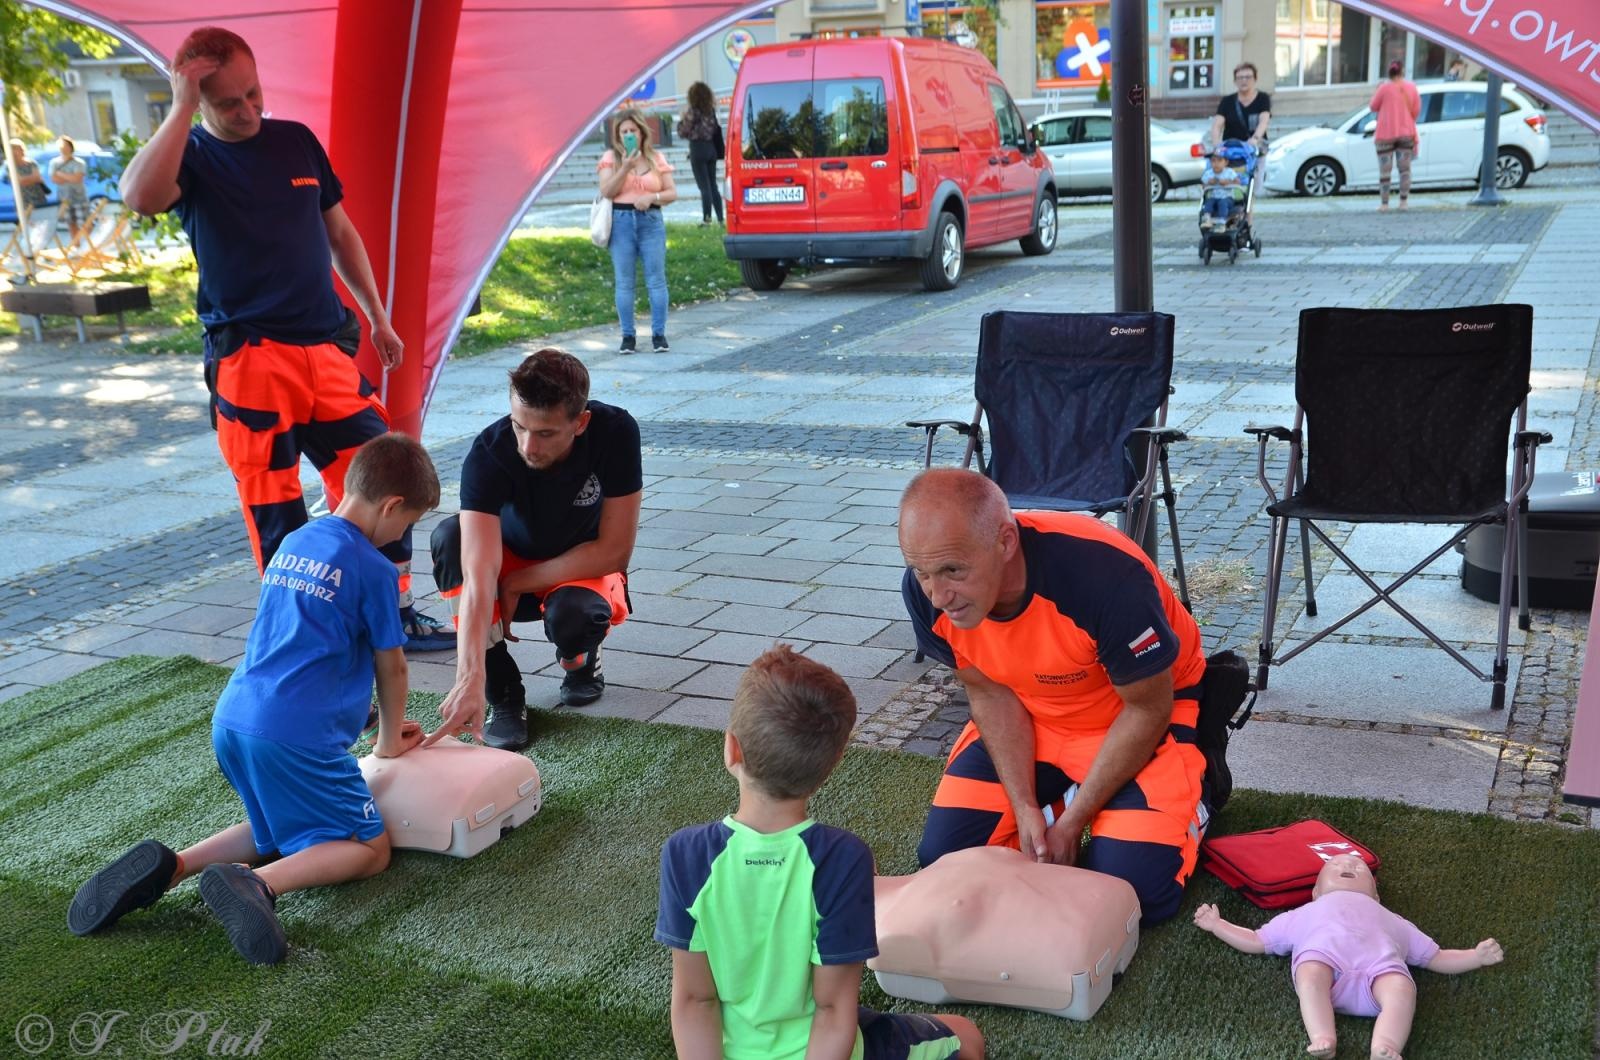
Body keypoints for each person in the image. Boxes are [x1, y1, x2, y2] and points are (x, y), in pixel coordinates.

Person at [118, 25, 453, 651]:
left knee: (385, 477)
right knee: (275, 509)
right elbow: (139, 196)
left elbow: (342, 235)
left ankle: (392, 613)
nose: (246, 111)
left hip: (326, 350)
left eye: (253, 94)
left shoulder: (296, 142)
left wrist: (378, 316)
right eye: (227, 103)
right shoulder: (189, 154)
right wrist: (183, 106)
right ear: (197, 102)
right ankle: (303, 639)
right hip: (249, 359)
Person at [66, 433, 440, 965]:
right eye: (407, 525)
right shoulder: (375, 570)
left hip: (236, 718)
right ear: (392, 506)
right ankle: (256, 885)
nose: (400, 536)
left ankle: (174, 865)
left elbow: (305, 648)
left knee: (283, 826)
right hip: (295, 737)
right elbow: (393, 665)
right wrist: (387, 743)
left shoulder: (294, 544)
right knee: (368, 849)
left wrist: (363, 717)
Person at [898, 468, 1210, 925]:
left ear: (1006, 543)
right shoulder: (927, 593)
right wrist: (1023, 804)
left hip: (1137, 711)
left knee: (1136, 894)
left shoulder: (1104, 576)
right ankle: (1060, 793)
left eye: (952, 570)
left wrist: (1073, 822)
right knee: (946, 862)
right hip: (1032, 708)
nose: (938, 594)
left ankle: (1199, 795)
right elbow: (987, 691)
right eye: (921, 571)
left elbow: (1148, 707)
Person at [655, 644, 985, 1060]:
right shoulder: (843, 858)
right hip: (833, 1045)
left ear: (731, 749)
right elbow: (832, 1010)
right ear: (833, 762)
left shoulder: (683, 853)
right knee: (965, 1035)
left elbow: (694, 1001)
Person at [426, 348, 641, 753]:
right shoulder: (488, 453)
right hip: (508, 565)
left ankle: (578, 658)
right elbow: (477, 576)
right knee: (449, 537)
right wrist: (468, 676)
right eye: (519, 427)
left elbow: (614, 550)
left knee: (574, 618)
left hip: (581, 564)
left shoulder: (615, 431)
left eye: (545, 434)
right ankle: (502, 692)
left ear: (581, 423)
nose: (528, 445)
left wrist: (519, 582)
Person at [1193, 854, 1505, 1059]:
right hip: (1326, 970)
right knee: (1310, 974)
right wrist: (1218, 925)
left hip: (1380, 972)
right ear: (1315, 892)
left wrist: (1474, 956)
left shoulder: (1391, 917)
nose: (1350, 865)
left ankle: (1386, 1046)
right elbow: (1258, 940)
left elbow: (1435, 957)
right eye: (1335, 865)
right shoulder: (1306, 912)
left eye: (1359, 868)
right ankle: (1323, 1037)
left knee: (1402, 989)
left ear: (1375, 895)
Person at [598, 106, 677, 354]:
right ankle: (628, 337)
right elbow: (607, 191)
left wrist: (651, 196)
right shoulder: (611, 158)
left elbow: (671, 192)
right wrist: (625, 167)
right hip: (620, 222)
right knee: (625, 282)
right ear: (618, 136)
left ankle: (659, 335)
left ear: (642, 133)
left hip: (650, 221)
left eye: (633, 130)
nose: (629, 134)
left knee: (656, 279)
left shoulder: (656, 158)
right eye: (624, 131)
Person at [1370, 60, 1421, 212]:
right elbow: (1416, 110)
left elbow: (1373, 106)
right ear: (1402, 71)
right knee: (1404, 170)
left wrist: (1378, 90)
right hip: (1405, 133)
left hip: (1385, 134)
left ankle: (1384, 204)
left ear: (1389, 72)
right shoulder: (1411, 87)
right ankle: (1403, 202)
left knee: (1385, 171)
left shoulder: (1384, 88)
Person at [676, 81, 724, 226]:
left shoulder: (693, 111)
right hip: (711, 149)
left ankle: (707, 219)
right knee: (713, 185)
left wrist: (681, 119)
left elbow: (683, 131)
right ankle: (721, 219)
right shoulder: (711, 111)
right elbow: (715, 129)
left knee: (704, 187)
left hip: (698, 149)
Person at [1209, 62, 1272, 150]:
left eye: (1248, 77)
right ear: (1235, 81)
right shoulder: (1227, 101)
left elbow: (1264, 121)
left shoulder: (1263, 98)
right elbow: (1217, 125)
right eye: (1240, 78)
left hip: (1255, 149)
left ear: (1255, 79)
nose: (1244, 80)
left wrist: (1255, 138)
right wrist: (1217, 144)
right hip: (1232, 150)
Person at [48, 135, 89, 244]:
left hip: (79, 197)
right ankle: (76, 246)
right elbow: (54, 179)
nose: (63, 149)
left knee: (85, 222)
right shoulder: (54, 163)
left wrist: (61, 174)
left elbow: (77, 178)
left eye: (66, 146)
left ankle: (91, 245)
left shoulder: (79, 162)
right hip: (64, 198)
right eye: (61, 146)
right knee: (71, 223)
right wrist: (68, 177)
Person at [1200, 150, 1243, 230]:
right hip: (1214, 197)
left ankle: (1222, 222)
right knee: (1208, 202)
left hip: (1227, 198)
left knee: (1223, 203)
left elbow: (1238, 182)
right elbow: (1203, 186)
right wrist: (1209, 183)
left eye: (1219, 160)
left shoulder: (1229, 172)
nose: (1216, 164)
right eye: (1213, 161)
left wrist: (1228, 182)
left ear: (1226, 162)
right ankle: (1207, 218)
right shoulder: (1208, 173)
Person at [8, 138, 48, 212]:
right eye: (19, 149)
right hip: (23, 202)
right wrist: (32, 178)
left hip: (38, 199)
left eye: (22, 148)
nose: (23, 150)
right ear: (13, 151)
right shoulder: (10, 167)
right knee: (27, 222)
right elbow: (20, 182)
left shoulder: (32, 163)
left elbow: (37, 177)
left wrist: (26, 179)